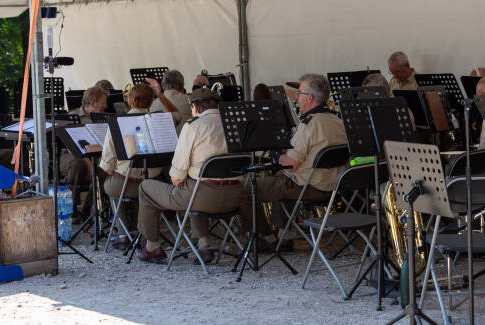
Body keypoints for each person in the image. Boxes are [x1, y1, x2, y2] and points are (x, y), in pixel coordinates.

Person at [137, 87, 249, 263]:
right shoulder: (236, 125)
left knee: (146, 187)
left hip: (202, 197)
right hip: (235, 197)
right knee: (193, 184)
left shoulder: (193, 127)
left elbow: (176, 178)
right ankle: (204, 245)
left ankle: (152, 247)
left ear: (195, 107)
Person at [248, 73, 346, 251]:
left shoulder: (309, 125)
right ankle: (284, 236)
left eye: (299, 93)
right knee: (281, 178)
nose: (296, 98)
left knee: (248, 187)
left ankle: (266, 238)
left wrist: (278, 153)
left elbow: (290, 165)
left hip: (310, 187)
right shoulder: (338, 120)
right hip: (335, 188)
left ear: (309, 98)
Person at [100, 83, 163, 248]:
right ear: (152, 101)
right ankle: (138, 230)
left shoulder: (118, 123)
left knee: (110, 187)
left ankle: (123, 234)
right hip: (154, 184)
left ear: (130, 101)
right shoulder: (160, 122)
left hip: (127, 184)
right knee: (140, 188)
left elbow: (107, 166)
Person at [61, 86, 108, 219]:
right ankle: (73, 208)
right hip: (71, 155)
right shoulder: (72, 117)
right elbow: (71, 147)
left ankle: (86, 209)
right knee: (79, 164)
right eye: (103, 102)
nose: (106, 106)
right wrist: (88, 162)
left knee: (106, 168)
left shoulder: (103, 118)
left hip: (96, 156)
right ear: (93, 103)